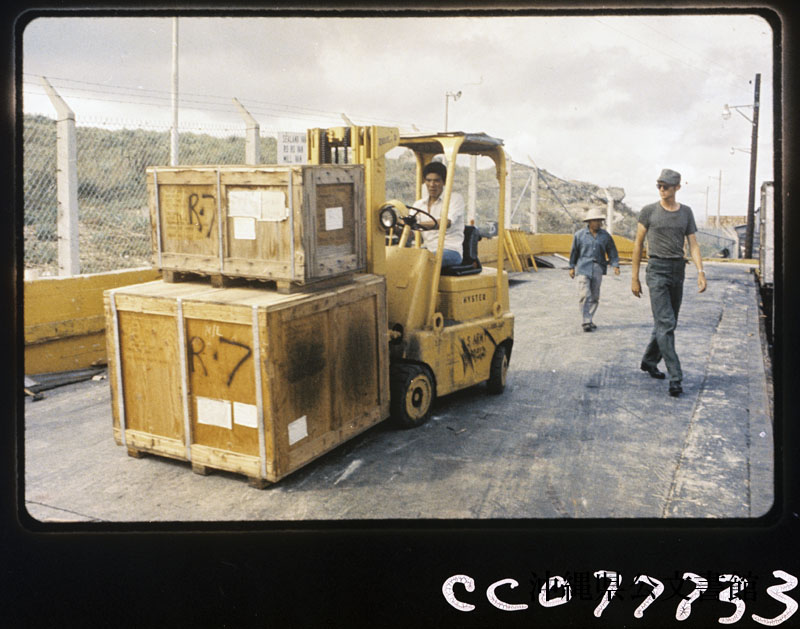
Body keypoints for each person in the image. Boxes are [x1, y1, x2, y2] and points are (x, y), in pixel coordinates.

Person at [631, 168, 707, 397]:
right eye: (659, 186)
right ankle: (676, 377)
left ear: (677, 188)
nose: (662, 190)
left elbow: (693, 244)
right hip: (657, 270)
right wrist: (634, 278)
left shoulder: (686, 212)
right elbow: (638, 244)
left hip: (677, 271)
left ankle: (649, 361)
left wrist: (701, 272)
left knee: (667, 323)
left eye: (666, 186)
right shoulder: (649, 211)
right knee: (666, 322)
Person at [568, 206, 620, 332]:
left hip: (598, 268)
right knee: (584, 295)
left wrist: (615, 265)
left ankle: (589, 318)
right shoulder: (579, 235)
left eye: (599, 220)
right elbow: (574, 252)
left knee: (595, 296)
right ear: (589, 222)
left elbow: (612, 251)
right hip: (583, 267)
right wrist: (571, 267)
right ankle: (586, 321)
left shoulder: (605, 236)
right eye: (595, 220)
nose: (598, 223)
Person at [410, 161, 464, 267]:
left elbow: (446, 222)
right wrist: (397, 226)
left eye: (436, 181)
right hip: (428, 250)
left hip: (451, 251)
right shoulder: (419, 204)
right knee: (399, 259)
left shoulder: (454, 199)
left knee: (425, 261)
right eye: (428, 180)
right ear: (424, 181)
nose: (432, 185)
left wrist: (417, 225)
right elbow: (411, 232)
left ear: (444, 182)